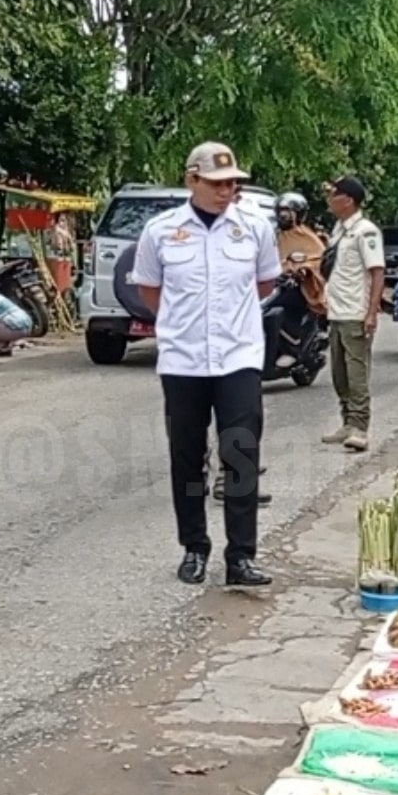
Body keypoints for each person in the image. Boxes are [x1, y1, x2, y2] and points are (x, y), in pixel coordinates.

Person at [131, 142, 279, 588]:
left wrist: (229, 323)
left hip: (238, 359)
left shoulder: (254, 228)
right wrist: (185, 325)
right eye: (216, 183)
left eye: (232, 182)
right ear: (191, 180)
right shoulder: (161, 231)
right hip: (184, 361)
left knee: (241, 456)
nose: (226, 190)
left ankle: (241, 557)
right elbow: (150, 291)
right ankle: (195, 547)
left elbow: (265, 282)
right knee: (188, 460)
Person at [320, 175, 385, 453]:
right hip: (336, 311)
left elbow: (377, 271)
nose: (329, 199)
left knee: (357, 373)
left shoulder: (365, 231)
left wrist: (371, 312)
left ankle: (360, 427)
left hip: (355, 312)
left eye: (333, 194)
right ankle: (347, 421)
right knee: (339, 373)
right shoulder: (339, 230)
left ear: (347, 199)